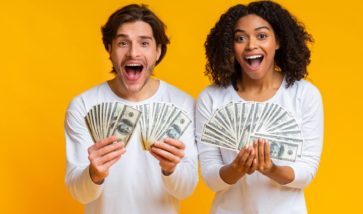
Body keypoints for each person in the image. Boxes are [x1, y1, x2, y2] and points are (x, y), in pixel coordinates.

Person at [64, 4, 198, 214]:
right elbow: (79, 194)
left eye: (144, 43)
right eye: (123, 43)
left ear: (158, 51)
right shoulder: (83, 106)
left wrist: (171, 169)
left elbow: (186, 189)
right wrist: (94, 174)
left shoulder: (183, 104)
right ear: (109, 49)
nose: (133, 52)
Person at [196, 1, 324, 213]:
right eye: (240, 38)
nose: (251, 45)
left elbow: (306, 172)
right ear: (231, 47)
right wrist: (236, 169)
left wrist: (271, 169)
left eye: (262, 36)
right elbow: (211, 178)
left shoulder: (304, 95)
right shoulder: (211, 98)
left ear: (278, 41)